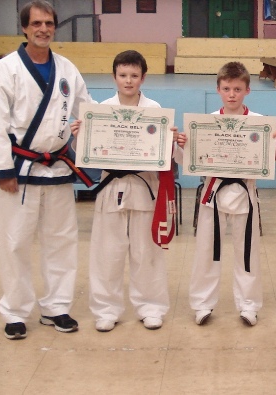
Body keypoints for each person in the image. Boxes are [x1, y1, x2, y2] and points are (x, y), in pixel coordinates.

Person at [0, 0, 94, 339]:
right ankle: (15, 311)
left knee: (61, 241)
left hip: (57, 166)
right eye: (37, 23)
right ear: (25, 28)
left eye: (49, 23)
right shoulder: (6, 69)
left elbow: (86, 110)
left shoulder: (67, 69)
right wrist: (2, 170)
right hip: (20, 169)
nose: (44, 29)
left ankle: (57, 307)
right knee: (15, 242)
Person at [69, 50, 187, 332]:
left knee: (147, 253)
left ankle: (151, 307)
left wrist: (173, 139)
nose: (128, 80)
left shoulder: (155, 109)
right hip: (112, 188)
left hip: (145, 188)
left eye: (134, 75)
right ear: (114, 77)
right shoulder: (101, 111)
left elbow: (167, 155)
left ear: (143, 78)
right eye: (123, 75)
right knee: (106, 253)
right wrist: (78, 137)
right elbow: (85, 154)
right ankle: (106, 310)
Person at [189, 61, 276, 327]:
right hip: (212, 194)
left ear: (247, 91)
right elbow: (189, 158)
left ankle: (249, 305)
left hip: (245, 193)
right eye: (227, 88)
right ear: (218, 89)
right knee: (206, 252)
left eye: (237, 89)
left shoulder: (259, 124)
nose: (232, 94)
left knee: (247, 253)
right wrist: (184, 143)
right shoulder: (206, 124)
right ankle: (202, 304)